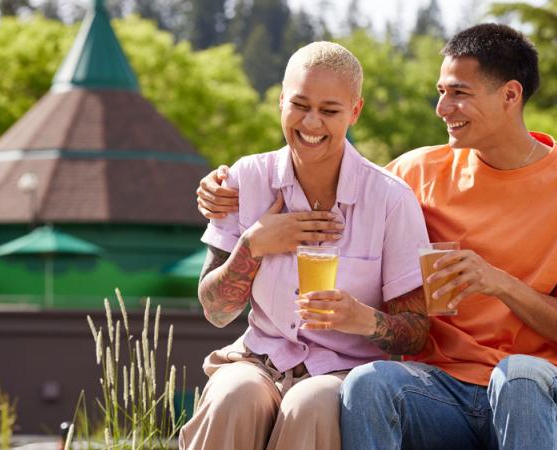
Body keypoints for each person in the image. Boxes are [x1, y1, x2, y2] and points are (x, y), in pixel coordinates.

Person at [195, 24, 557, 450]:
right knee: (368, 385)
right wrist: (220, 193)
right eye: (440, 91)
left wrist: (497, 282)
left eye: (458, 93)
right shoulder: (416, 174)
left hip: (539, 386)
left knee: (518, 377)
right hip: (439, 387)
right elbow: (344, 173)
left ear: (510, 95)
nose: (441, 107)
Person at [180, 41, 432, 450]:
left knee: (310, 404)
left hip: (345, 373)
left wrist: (361, 320)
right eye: (299, 105)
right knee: (233, 395)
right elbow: (216, 312)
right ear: (281, 102)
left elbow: (417, 333)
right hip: (257, 360)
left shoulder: (390, 200)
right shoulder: (246, 179)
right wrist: (253, 245)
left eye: (329, 110)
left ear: (355, 111)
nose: (311, 123)